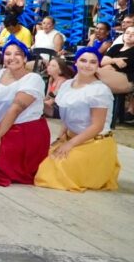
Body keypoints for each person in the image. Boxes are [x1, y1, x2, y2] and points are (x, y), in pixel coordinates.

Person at [34, 47, 121, 192]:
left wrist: (70, 144)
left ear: (98, 65)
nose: (87, 65)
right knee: (39, 162)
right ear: (76, 62)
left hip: (95, 143)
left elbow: (97, 126)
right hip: (72, 138)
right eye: (83, 60)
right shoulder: (68, 84)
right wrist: (62, 137)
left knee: (52, 172)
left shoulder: (99, 91)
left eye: (93, 62)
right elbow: (67, 116)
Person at [0, 39, 49, 186]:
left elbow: (16, 109)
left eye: (18, 54)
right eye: (7, 54)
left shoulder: (33, 79)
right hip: (3, 126)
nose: (12, 57)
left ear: (25, 58)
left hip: (25, 130)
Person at [99, 25, 134, 95]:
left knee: (91, 73)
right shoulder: (116, 46)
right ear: (123, 35)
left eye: (133, 34)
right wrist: (115, 60)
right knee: (86, 74)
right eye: (127, 33)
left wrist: (110, 62)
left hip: (128, 79)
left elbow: (119, 66)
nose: (129, 35)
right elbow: (102, 62)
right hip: (107, 74)